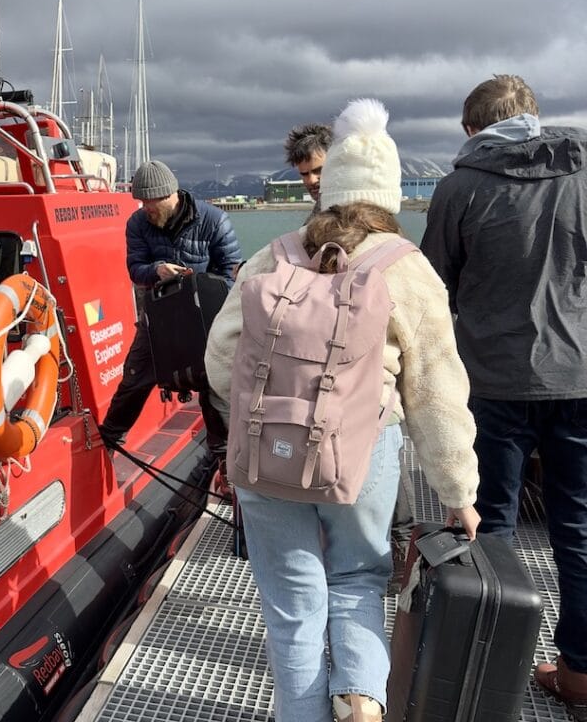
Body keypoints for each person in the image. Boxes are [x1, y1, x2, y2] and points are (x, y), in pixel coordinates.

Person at [206, 99, 481, 722]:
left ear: (327, 187)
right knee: (357, 582)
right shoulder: (407, 270)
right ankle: (359, 705)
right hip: (362, 452)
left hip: (265, 452)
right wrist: (459, 491)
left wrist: (273, 412)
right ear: (387, 192)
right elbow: (437, 393)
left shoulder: (273, 255)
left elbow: (221, 361)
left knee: (293, 603)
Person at [421, 74, 587, 707]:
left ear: (472, 130)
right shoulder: (580, 172)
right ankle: (578, 672)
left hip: (492, 377)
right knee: (577, 525)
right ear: (535, 117)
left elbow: (434, 286)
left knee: (489, 523)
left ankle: (481, 675)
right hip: (577, 374)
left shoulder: (459, 186)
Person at [98, 160, 241, 494]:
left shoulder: (214, 221)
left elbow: (231, 274)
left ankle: (226, 468)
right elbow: (135, 268)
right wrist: (157, 270)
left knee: (213, 387)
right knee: (135, 377)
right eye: (141, 202)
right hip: (158, 314)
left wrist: (197, 286)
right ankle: (108, 440)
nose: (145, 208)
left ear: (169, 194)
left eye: (150, 201)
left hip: (205, 316)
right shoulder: (137, 223)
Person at [284, 122, 333, 206]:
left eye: (319, 171)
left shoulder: (355, 215)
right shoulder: (322, 210)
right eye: (305, 174)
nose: (311, 180)